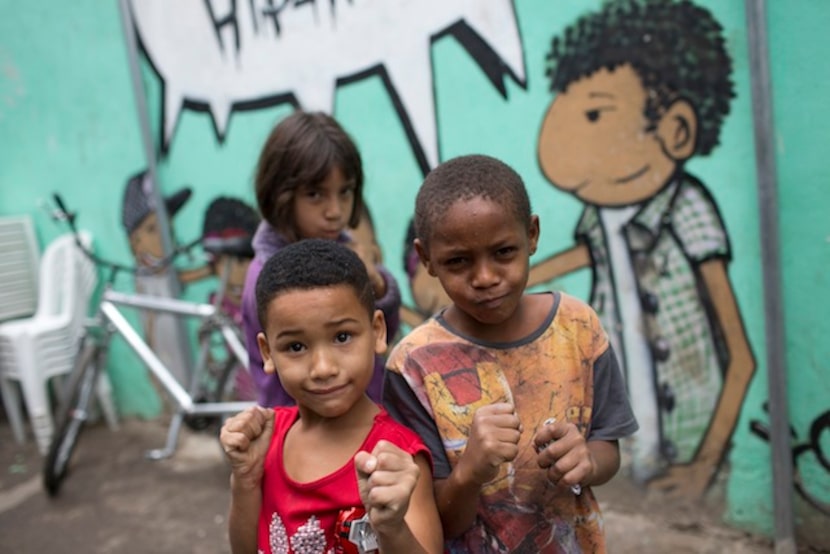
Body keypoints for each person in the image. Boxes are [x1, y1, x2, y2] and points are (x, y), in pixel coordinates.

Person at [532, 0, 755, 496]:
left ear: (675, 130)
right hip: (626, 448)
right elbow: (574, 260)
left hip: (692, 447)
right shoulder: (598, 217)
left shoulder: (688, 208)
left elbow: (740, 355)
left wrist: (705, 467)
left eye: (594, 114)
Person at [383, 154, 638, 553]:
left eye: (503, 252)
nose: (485, 278)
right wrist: (470, 471)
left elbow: (608, 448)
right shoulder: (413, 366)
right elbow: (435, 522)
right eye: (458, 261)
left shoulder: (578, 327)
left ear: (531, 234)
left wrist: (586, 458)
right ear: (426, 257)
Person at [220, 239, 442, 554]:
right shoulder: (266, 441)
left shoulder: (397, 459)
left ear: (377, 331)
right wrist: (245, 481)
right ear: (267, 352)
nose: (323, 368)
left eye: (342, 337)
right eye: (296, 346)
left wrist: (392, 526)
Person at [241, 110, 401, 408]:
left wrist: (376, 283)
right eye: (316, 194)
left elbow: (381, 337)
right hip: (307, 429)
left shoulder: (343, 247)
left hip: (366, 412)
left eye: (345, 192)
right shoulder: (267, 279)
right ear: (280, 196)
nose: (335, 211)